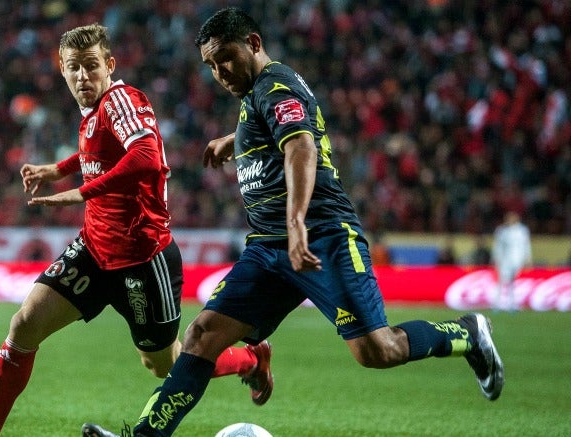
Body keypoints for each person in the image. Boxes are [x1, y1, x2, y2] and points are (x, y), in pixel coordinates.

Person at [83, 8, 505, 437]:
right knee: (202, 335)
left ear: (253, 44)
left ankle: (466, 333)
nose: (219, 72)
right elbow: (286, 126)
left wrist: (298, 221)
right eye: (210, 64)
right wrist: (237, 139)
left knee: (377, 350)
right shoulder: (258, 95)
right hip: (268, 247)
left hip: (322, 236)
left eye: (225, 57)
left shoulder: (275, 85)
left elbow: (301, 145)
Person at [0, 23, 271, 437]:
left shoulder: (121, 100)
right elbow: (98, 149)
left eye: (91, 65)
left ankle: (250, 359)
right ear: (62, 70)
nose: (82, 76)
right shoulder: (93, 112)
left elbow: (145, 156)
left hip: (144, 258)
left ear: (109, 65)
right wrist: (59, 169)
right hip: (93, 250)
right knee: (24, 324)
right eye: (73, 67)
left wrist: (80, 192)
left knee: (165, 364)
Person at [492, 211, 531, 311]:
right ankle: (497, 304)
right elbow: (497, 246)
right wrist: (496, 258)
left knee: (514, 282)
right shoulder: (501, 231)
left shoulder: (522, 230)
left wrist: (528, 258)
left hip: (518, 260)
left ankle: (512, 304)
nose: (509, 220)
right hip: (504, 260)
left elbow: (526, 245)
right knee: (501, 281)